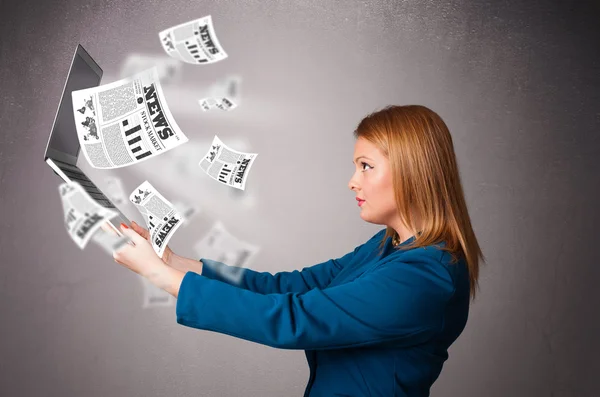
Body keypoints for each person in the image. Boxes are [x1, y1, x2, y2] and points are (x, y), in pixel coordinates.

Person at [112, 104, 485, 396]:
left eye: (366, 166)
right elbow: (292, 286)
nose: (352, 182)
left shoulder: (424, 275)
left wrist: (160, 277)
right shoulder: (389, 246)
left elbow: (295, 319)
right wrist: (178, 263)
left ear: (412, 170)